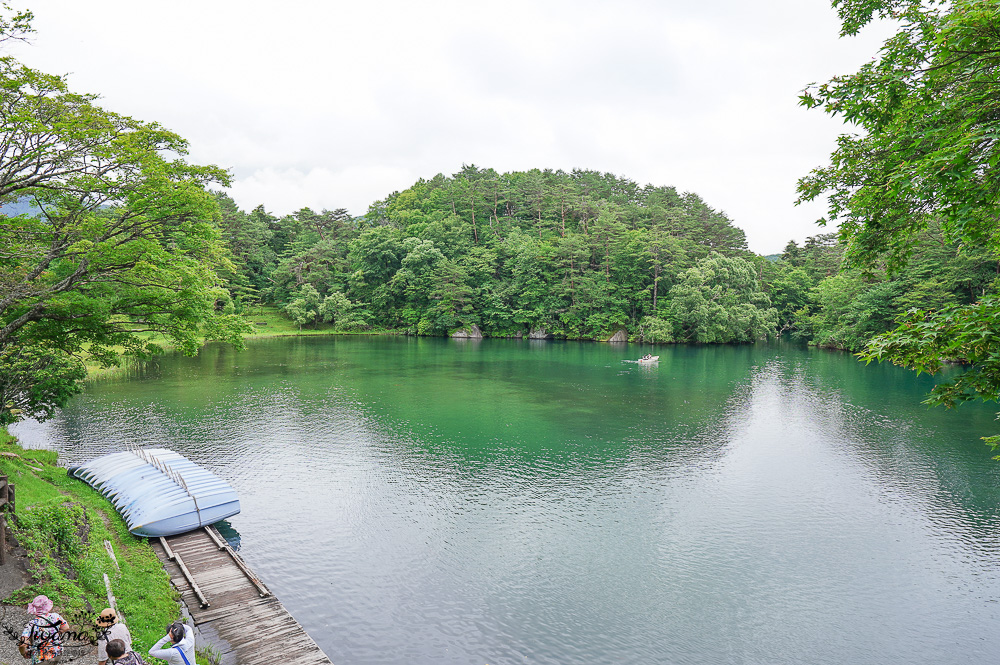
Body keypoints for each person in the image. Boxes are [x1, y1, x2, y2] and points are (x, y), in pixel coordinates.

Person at [18, 595, 69, 664]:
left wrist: (23, 653)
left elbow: (23, 644)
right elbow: (66, 627)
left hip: (41, 658)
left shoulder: (31, 624)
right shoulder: (56, 616)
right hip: (57, 652)